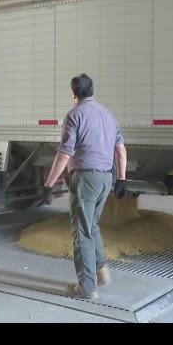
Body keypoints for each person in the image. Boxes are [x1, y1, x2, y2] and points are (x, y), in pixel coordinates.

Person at [43, 74, 128, 300]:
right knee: (91, 226)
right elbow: (120, 150)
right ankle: (102, 271)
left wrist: (50, 183)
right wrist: (122, 178)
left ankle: (86, 287)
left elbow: (65, 153)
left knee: (82, 233)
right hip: (106, 179)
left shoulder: (74, 115)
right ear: (92, 91)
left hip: (86, 180)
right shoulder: (108, 115)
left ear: (74, 95)